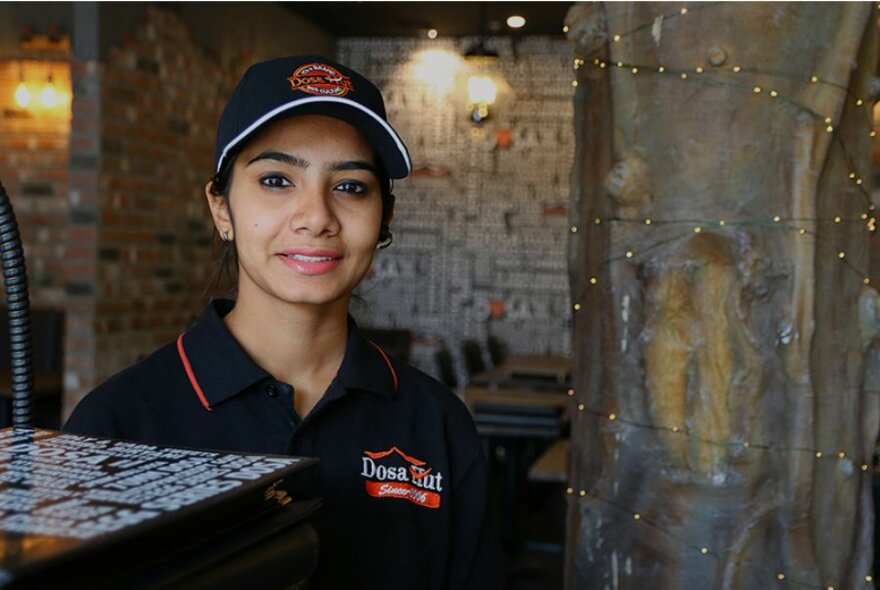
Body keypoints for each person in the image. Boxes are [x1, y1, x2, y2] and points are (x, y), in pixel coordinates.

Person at [64, 55, 501, 589]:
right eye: (276, 179)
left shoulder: (437, 425)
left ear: (385, 217)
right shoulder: (117, 424)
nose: (316, 216)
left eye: (350, 187)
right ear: (221, 208)